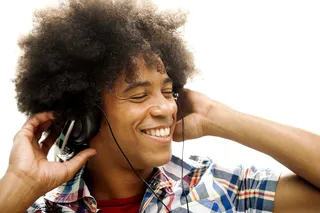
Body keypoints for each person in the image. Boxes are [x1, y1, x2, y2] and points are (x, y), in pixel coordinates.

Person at [0, 0, 320, 212]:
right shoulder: (39, 208)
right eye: (139, 95)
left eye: (168, 92)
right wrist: (20, 185)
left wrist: (217, 117)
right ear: (85, 115)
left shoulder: (214, 186)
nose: (166, 108)